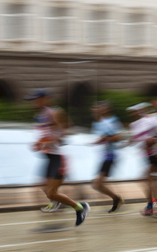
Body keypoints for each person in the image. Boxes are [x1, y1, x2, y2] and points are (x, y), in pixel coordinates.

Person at [25, 89, 90, 226]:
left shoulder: (55, 112)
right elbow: (45, 136)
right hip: (49, 157)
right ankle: (57, 202)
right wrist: (39, 143)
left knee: (51, 192)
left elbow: (68, 132)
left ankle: (80, 207)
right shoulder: (39, 116)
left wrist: (49, 142)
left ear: (45, 99)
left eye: (36, 99)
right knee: (43, 186)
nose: (33, 103)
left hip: (59, 158)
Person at [127, 102, 157, 216]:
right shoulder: (134, 125)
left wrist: (155, 139)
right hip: (149, 155)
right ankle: (155, 201)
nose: (134, 113)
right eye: (132, 112)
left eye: (136, 111)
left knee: (149, 177)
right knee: (155, 177)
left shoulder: (151, 119)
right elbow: (136, 139)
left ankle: (153, 204)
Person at [91, 101, 125, 213]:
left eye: (102, 108)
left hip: (111, 155)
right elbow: (102, 137)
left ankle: (117, 198)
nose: (100, 110)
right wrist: (98, 141)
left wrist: (106, 139)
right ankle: (116, 198)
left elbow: (119, 137)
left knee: (97, 183)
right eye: (99, 108)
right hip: (104, 155)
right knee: (97, 184)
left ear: (108, 109)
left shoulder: (113, 120)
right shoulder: (98, 123)